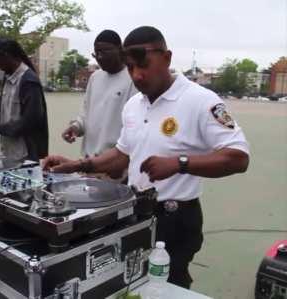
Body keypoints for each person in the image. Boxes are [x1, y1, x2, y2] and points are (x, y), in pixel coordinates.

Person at [43, 26, 250, 289]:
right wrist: (77, 165)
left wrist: (179, 164)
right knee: (131, 284)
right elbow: (121, 155)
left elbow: (238, 157)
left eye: (143, 65)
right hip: (135, 212)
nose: (137, 75)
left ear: (167, 58)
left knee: (168, 286)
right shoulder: (134, 106)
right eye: (130, 67)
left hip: (175, 219)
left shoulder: (200, 100)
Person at [62, 30, 137, 157]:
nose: (100, 57)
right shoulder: (95, 78)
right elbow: (86, 114)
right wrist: (76, 127)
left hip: (114, 164)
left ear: (120, 49)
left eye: (104, 52)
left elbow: (134, 126)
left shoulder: (133, 78)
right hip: (88, 161)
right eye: (96, 53)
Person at [0, 37, 49, 162]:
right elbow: (3, 108)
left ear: (6, 55)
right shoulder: (8, 77)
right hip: (8, 152)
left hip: (26, 155)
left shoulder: (28, 81)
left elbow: (30, 122)